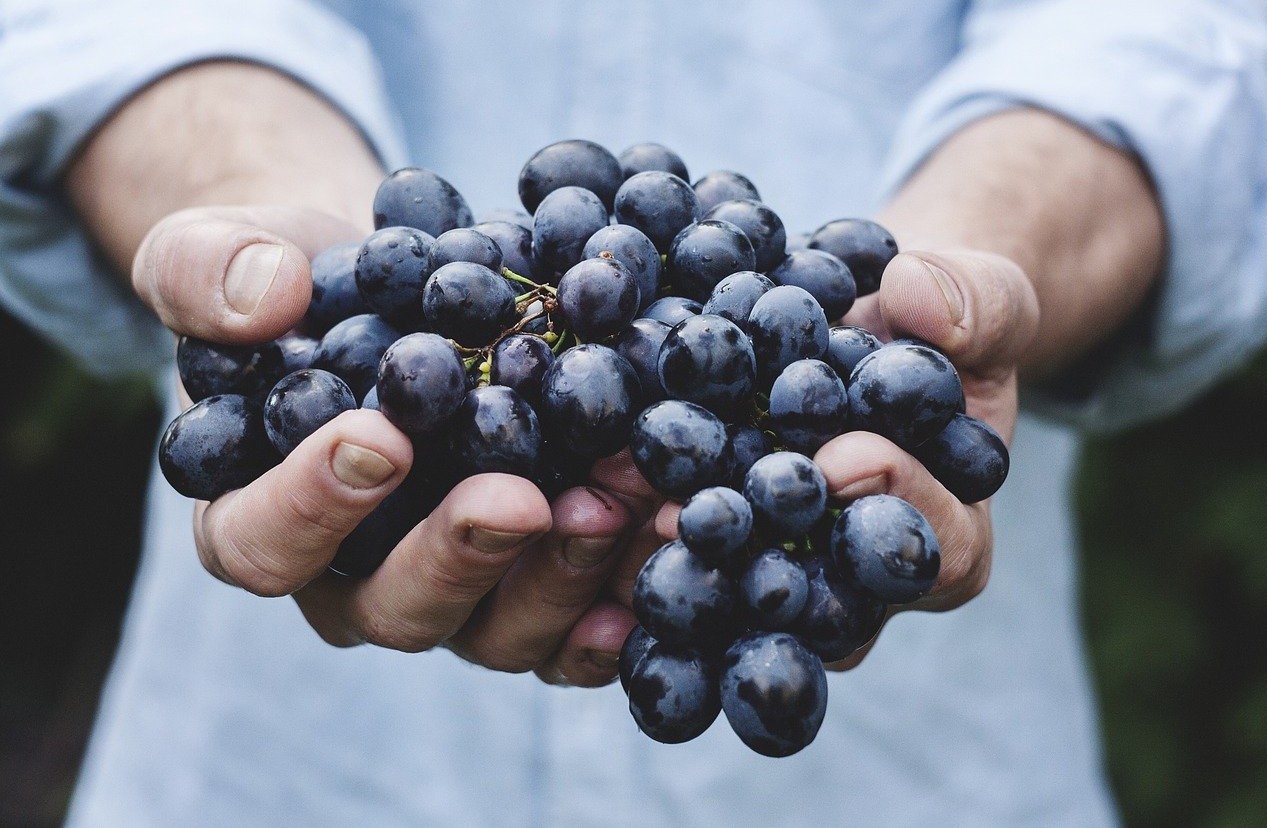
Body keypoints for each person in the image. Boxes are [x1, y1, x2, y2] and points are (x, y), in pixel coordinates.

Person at [3, 0, 1266, 823]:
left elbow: (1172, 36)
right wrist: (251, 204)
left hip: (910, 764)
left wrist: (978, 259)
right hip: (287, 767)